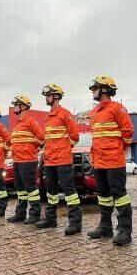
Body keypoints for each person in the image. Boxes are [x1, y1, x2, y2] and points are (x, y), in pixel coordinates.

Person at [86, 76, 135, 245]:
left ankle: (124, 230)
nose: (93, 91)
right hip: (99, 162)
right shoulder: (94, 113)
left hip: (114, 162)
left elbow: (128, 133)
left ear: (105, 89)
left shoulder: (118, 109)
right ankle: (105, 227)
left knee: (120, 196)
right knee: (103, 196)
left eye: (95, 88)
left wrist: (115, 151)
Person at [40, 84, 83, 235]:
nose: (46, 98)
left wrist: (64, 148)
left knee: (69, 192)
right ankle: (51, 219)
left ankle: (75, 224)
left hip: (63, 160)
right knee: (50, 191)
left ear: (56, 96)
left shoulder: (65, 114)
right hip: (50, 160)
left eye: (48, 95)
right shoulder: (48, 117)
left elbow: (75, 137)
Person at [8, 95, 45, 222]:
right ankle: (20, 213)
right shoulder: (18, 124)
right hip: (18, 160)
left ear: (23, 106)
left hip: (28, 160)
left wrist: (30, 148)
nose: (14, 106)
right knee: (20, 189)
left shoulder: (31, 121)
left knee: (31, 188)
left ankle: (35, 215)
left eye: (16, 104)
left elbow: (41, 137)